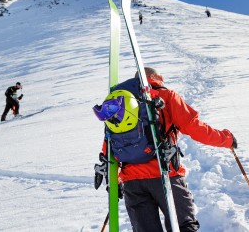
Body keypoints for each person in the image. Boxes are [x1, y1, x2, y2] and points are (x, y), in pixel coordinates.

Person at [98, 67, 237, 231]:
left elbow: (110, 142)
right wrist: (226, 139)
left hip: (132, 183)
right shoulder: (165, 95)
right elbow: (193, 127)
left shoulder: (119, 104)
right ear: (156, 77)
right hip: (165, 174)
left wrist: (114, 181)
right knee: (184, 226)